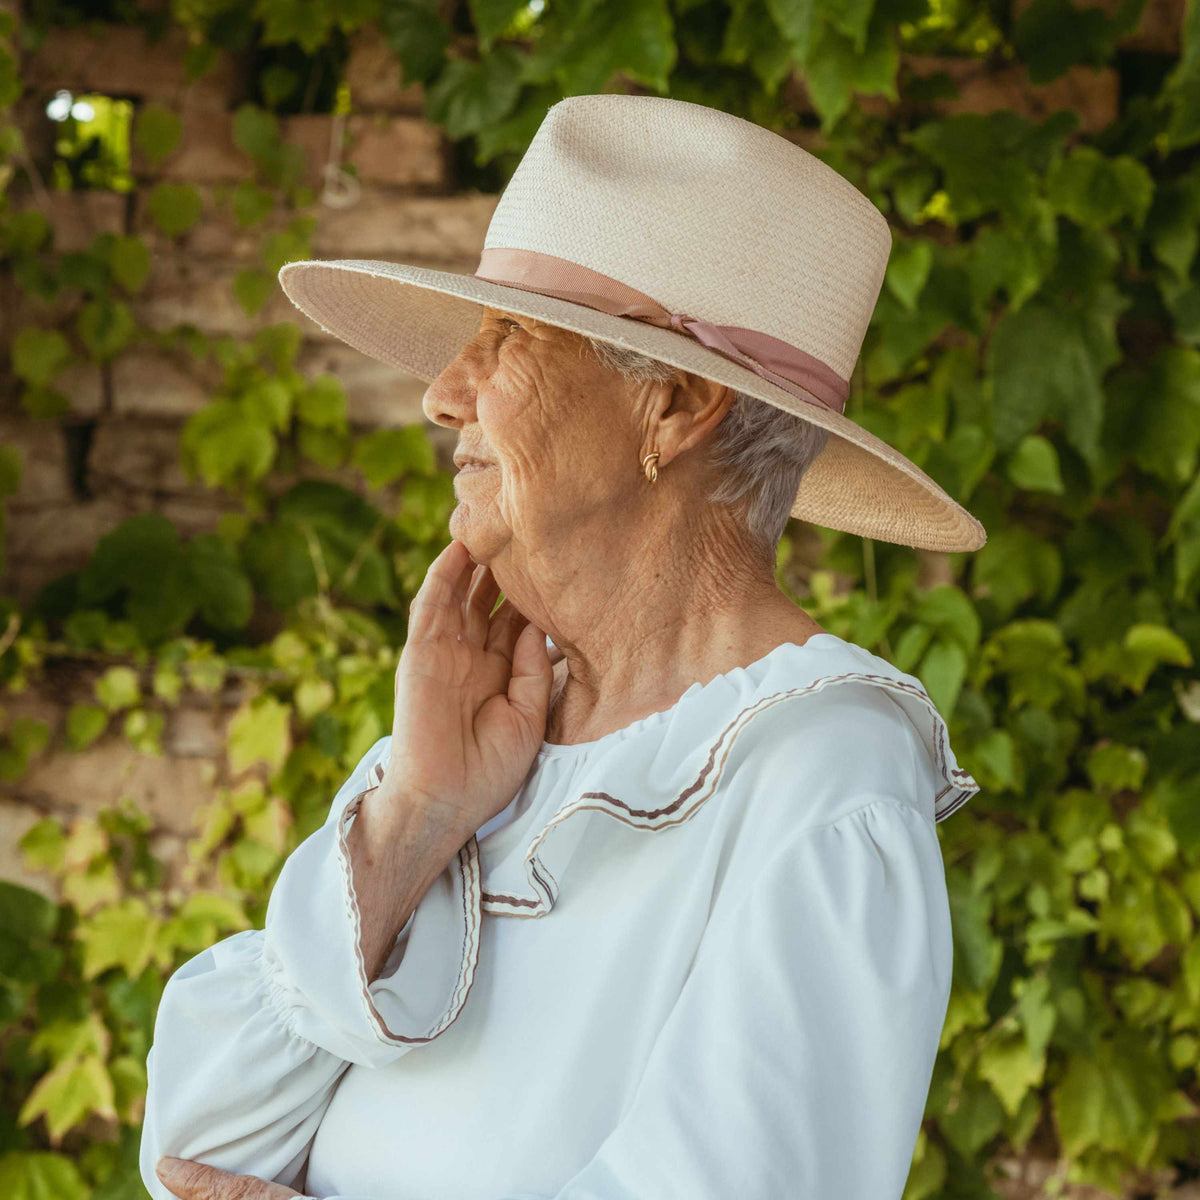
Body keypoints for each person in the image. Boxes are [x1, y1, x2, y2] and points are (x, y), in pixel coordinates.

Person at [141, 92, 985, 1200]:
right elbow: (195, 1148)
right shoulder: (489, 735)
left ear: (674, 408)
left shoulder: (821, 780)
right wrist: (412, 821)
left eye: (506, 340)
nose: (443, 395)